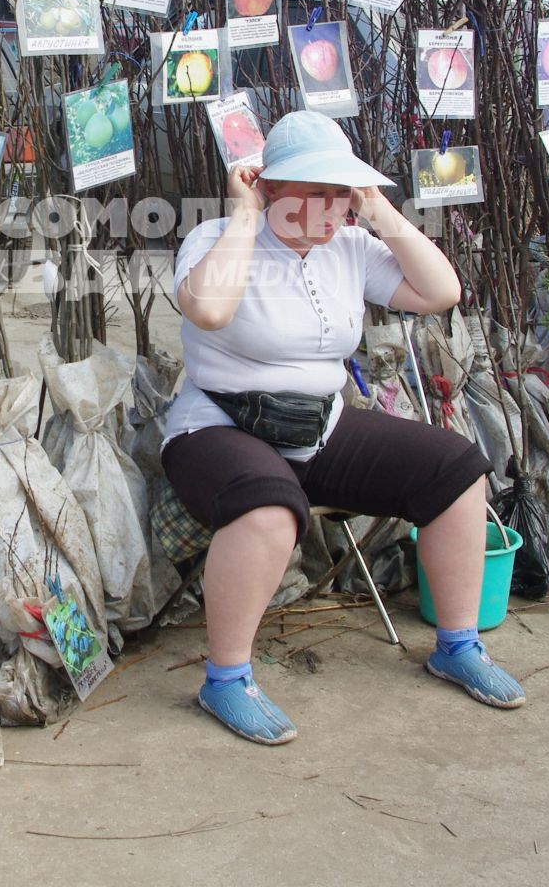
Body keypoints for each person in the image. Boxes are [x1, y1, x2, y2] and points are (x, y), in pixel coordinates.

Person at [163, 110, 526, 745]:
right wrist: (247, 215)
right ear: (270, 186)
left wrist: (380, 212)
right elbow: (212, 310)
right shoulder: (219, 238)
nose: (330, 211)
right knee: (268, 509)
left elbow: (443, 292)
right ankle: (225, 679)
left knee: (456, 468)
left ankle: (458, 644)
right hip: (219, 425)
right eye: (314, 192)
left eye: (341, 194)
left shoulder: (352, 249)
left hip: (320, 423)